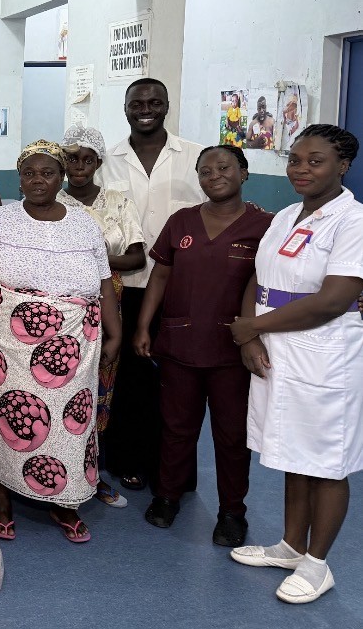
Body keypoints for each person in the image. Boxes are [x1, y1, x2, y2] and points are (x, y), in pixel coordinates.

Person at [0, 140, 121, 543]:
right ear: (19, 178)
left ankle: (63, 502)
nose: (38, 180)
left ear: (61, 176)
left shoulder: (84, 224)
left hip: (73, 345)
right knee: (5, 417)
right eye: (29, 173)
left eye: (47, 172)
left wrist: (115, 331)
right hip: (5, 343)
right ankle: (2, 500)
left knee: (71, 424)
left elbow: (103, 285)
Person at [229, 124, 363, 604]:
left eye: (315, 161)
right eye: (295, 160)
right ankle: (290, 546)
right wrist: (249, 328)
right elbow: (259, 278)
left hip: (324, 351)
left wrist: (254, 329)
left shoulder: (353, 221)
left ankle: (317, 563)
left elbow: (334, 300)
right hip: (278, 347)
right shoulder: (285, 215)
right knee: (292, 452)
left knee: (327, 460)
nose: (300, 169)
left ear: (343, 165)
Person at [133, 145, 272, 546]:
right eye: (205, 171)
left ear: (244, 173)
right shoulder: (182, 221)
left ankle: (232, 511)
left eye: (224, 167)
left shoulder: (266, 225)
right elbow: (160, 275)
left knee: (231, 435)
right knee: (177, 427)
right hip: (179, 343)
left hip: (234, 349)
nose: (214, 176)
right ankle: (167, 496)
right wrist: (144, 325)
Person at [100, 78, 205, 492]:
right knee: (127, 379)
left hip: (179, 289)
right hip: (122, 287)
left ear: (166, 106)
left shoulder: (195, 158)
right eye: (137, 103)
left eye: (154, 102)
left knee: (179, 382)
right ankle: (127, 459)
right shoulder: (107, 160)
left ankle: (174, 469)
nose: (146, 109)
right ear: (126, 108)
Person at [57, 125, 147, 508]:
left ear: (98, 162)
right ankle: (61, 468)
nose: (79, 166)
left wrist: (93, 257)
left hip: (108, 301)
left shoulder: (117, 201)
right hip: (63, 308)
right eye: (71, 158)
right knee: (62, 385)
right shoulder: (51, 199)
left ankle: (91, 473)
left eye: (87, 159)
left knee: (101, 386)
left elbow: (137, 257)